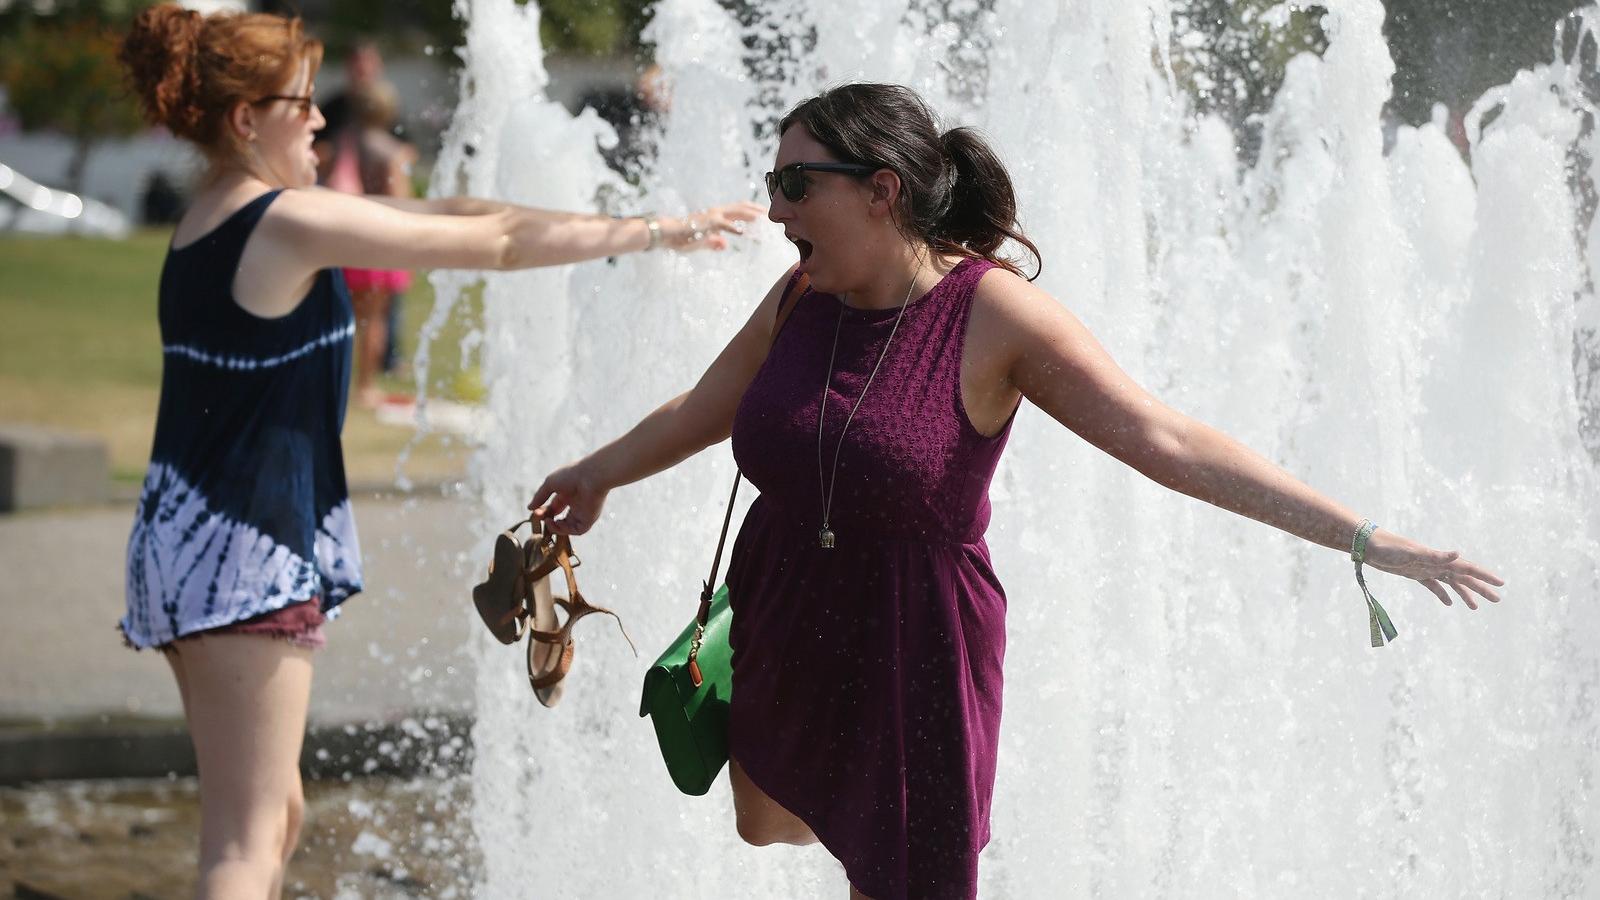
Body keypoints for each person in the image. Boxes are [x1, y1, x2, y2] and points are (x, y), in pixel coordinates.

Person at [528, 83, 1504, 900]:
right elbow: (707, 405)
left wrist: (1362, 538)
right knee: (772, 826)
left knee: (903, 875)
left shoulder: (991, 315)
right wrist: (596, 473)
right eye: (770, 184)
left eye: (794, 185)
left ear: (881, 190)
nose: (775, 210)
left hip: (914, 643)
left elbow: (1167, 440)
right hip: (788, 616)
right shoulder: (798, 298)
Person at [116, 6, 762, 897]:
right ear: (244, 119)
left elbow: (462, 211)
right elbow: (492, 243)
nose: (318, 117)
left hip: (186, 533)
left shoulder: (210, 220)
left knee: (274, 815)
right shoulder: (284, 222)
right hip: (242, 546)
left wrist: (644, 221)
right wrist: (654, 232)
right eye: (300, 102)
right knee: (248, 836)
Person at [333, 78, 416, 407]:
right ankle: (365, 385)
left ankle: (337, 382)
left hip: (347, 237)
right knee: (374, 322)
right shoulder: (390, 151)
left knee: (344, 319)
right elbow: (402, 200)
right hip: (378, 243)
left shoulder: (344, 143)